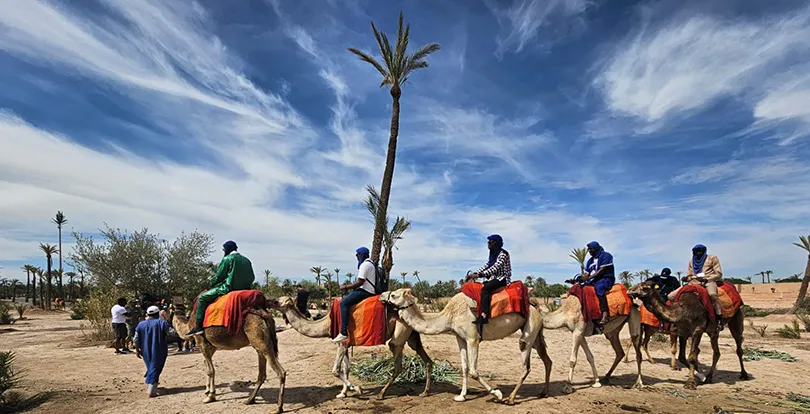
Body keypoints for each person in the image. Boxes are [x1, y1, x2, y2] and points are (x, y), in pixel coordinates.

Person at [185, 240, 256, 337]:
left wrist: (210, 283)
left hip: (228, 288)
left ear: (227, 249)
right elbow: (252, 277)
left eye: (224, 249)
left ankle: (198, 327)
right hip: (246, 289)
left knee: (202, 298)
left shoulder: (227, 259)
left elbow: (219, 276)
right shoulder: (247, 260)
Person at [669, 244, 725, 329]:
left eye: (700, 251)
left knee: (712, 295)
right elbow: (690, 275)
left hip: (708, 281)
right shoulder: (691, 261)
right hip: (693, 282)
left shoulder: (712, 258)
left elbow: (718, 273)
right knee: (671, 296)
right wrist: (687, 278)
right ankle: (678, 318)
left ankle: (719, 318)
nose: (698, 253)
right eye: (696, 251)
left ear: (704, 251)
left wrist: (707, 278)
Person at [332, 247, 376, 343]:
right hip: (368, 289)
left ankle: (343, 332)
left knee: (343, 303)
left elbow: (360, 282)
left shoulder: (365, 265)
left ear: (361, 255)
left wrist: (346, 287)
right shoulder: (371, 264)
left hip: (366, 291)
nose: (356, 257)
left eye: (357, 255)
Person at [465, 234, 512, 325]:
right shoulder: (493, 254)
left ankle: (484, 315)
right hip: (494, 277)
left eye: (491, 242)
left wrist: (480, 275)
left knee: (485, 289)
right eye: (488, 242)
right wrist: (474, 274)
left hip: (502, 278)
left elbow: (495, 268)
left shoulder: (503, 254)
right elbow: (487, 265)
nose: (488, 244)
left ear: (496, 244)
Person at [567, 241, 615, 327]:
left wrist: (589, 278)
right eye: (588, 249)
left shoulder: (606, 256)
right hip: (594, 280)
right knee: (580, 288)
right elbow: (586, 273)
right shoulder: (590, 261)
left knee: (599, 288)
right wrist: (577, 280)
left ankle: (605, 313)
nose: (589, 251)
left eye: (591, 249)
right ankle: (589, 314)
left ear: (596, 248)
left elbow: (601, 270)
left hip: (605, 279)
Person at [134, 305, 171, 397]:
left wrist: (137, 350)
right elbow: (171, 332)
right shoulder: (161, 323)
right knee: (155, 368)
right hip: (159, 349)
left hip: (145, 351)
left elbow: (135, 339)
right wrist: (168, 320)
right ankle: (151, 391)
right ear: (158, 314)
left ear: (147, 314)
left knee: (151, 367)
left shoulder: (140, 324)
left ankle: (154, 386)